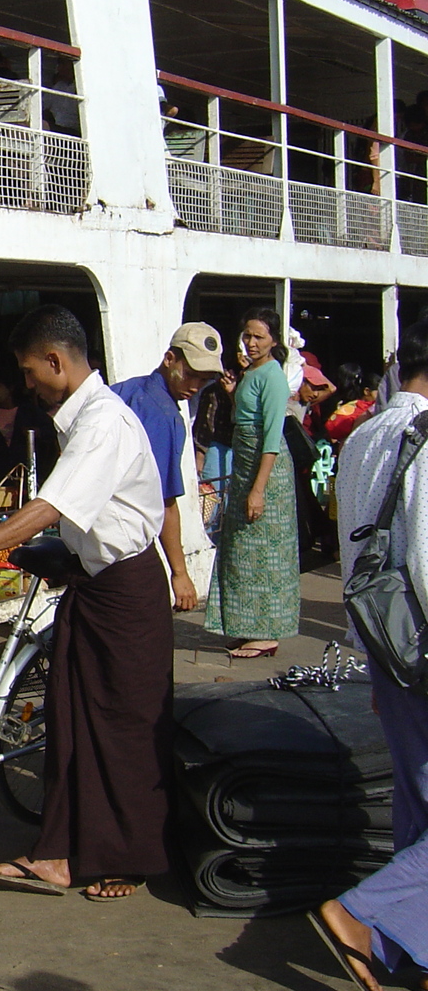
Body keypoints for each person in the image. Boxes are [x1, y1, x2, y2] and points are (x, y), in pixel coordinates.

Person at [0, 305, 171, 902]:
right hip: (93, 584)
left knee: (124, 728)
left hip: (127, 591)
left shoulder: (103, 423)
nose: (27, 384)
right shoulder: (79, 419)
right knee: (74, 718)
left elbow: (50, 507)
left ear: (56, 361)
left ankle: (124, 857)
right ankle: (56, 853)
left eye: (30, 372)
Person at [314, 319, 428, 990]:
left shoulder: (365, 435)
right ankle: (366, 916)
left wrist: (367, 648)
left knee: (416, 807)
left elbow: (359, 551)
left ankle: (406, 953)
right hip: (421, 646)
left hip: (385, 644)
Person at [111, 323, 225, 613]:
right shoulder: (165, 417)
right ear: (169, 358)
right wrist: (180, 573)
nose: (195, 387)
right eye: (190, 375)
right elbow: (165, 503)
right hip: (126, 543)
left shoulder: (122, 390)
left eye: (204, 380)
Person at [208, 307, 301, 660]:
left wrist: (258, 490)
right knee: (241, 549)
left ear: (274, 340)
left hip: (266, 473)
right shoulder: (251, 372)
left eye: (259, 336)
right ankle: (248, 627)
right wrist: (234, 392)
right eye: (247, 335)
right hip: (245, 466)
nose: (251, 342)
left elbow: (271, 438)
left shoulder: (273, 377)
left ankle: (266, 634)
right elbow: (246, 416)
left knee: (265, 553)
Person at [0, 368, 57, 491]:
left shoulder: (31, 413)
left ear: (10, 388)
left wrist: (37, 433)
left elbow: (52, 435)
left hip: (25, 484)